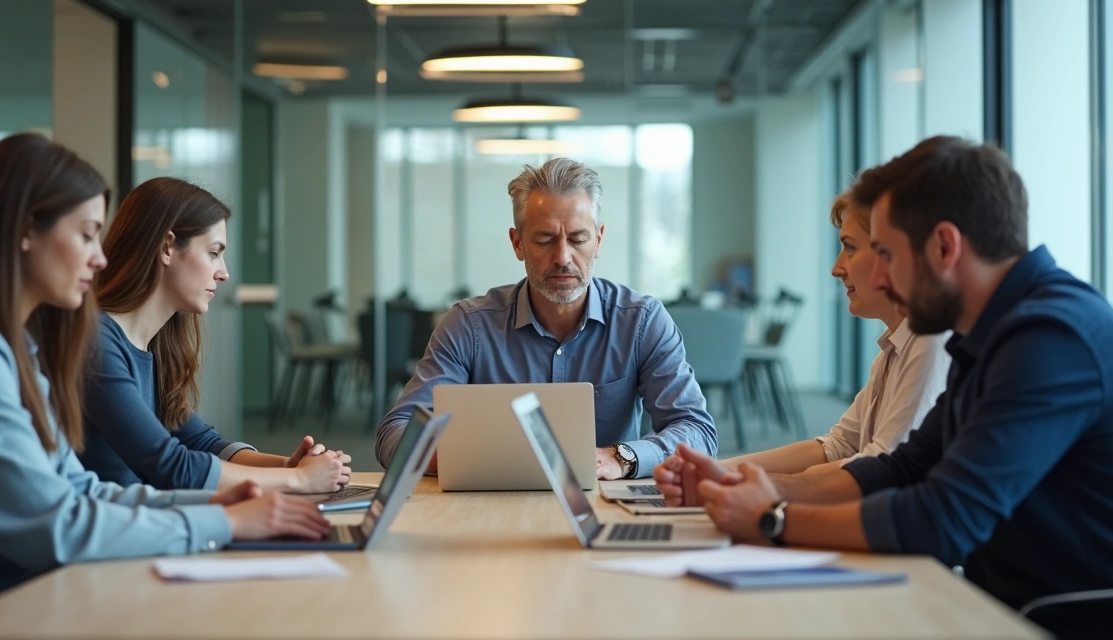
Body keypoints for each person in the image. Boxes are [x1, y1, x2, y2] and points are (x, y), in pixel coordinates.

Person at [654, 136, 1113, 637]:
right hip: (989, 604)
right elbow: (902, 467)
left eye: (888, 255)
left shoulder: (1050, 338)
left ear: (944, 247)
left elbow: (944, 517)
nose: (882, 279)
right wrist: (745, 488)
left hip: (1048, 619)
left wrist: (773, 518)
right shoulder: (989, 332)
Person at [0, 134, 330, 613]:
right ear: (25, 230)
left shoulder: (12, 348)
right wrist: (229, 521)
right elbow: (55, 526)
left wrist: (214, 506)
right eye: (86, 234)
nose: (99, 257)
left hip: (12, 600)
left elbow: (80, 490)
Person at [376, 157, 715, 480]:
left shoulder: (641, 322)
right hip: (490, 503)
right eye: (545, 239)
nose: (563, 257)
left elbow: (698, 431)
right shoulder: (469, 326)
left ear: (597, 241)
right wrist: (459, 457)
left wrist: (621, 457)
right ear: (517, 243)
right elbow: (395, 432)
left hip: (604, 499)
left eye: (578, 239)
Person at [80, 177, 350, 493]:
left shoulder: (156, 345)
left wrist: (288, 467)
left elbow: (201, 442)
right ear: (167, 247)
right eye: (213, 252)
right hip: (121, 523)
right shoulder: (96, 342)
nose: (224, 273)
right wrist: (300, 480)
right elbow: (170, 466)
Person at [719, 191, 949, 474]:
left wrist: (747, 481)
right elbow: (839, 446)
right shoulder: (892, 352)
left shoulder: (929, 342)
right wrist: (723, 468)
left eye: (850, 247)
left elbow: (882, 469)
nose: (836, 269)